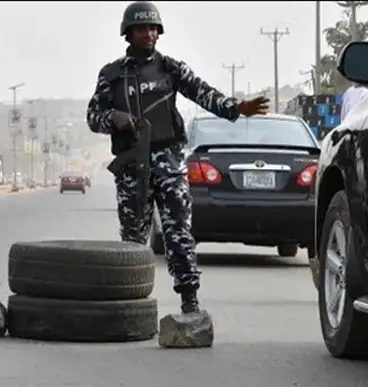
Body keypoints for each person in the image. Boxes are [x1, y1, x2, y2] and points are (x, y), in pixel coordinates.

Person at [86, 1, 269, 315]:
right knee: (133, 238)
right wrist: (113, 118)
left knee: (178, 232)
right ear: (128, 33)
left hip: (168, 161)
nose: (149, 34)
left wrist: (236, 109)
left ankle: (189, 299)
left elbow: (202, 92)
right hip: (132, 165)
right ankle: (130, 300)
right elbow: (93, 116)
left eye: (154, 28)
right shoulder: (112, 75)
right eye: (142, 28)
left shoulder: (170, 68)